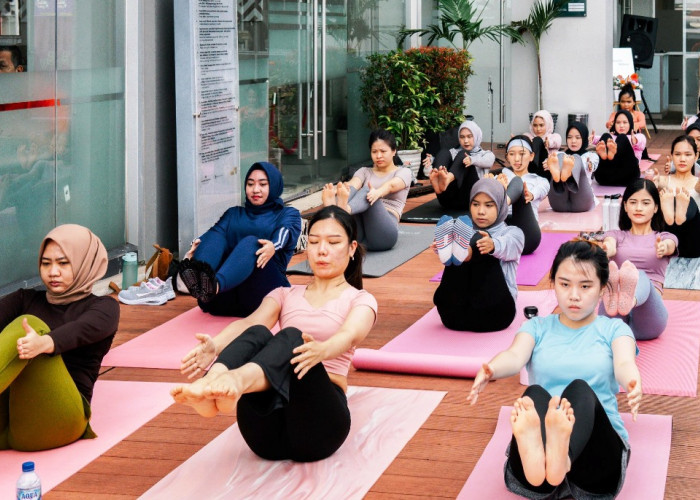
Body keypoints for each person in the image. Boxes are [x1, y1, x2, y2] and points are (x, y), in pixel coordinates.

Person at [171, 206, 377, 462]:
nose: (322, 250)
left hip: (318, 428)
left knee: (292, 337)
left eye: (333, 242)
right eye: (314, 242)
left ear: (352, 248)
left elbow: (350, 335)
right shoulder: (284, 294)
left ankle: (236, 382)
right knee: (259, 331)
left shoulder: (360, 299)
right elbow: (250, 324)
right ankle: (212, 382)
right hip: (265, 435)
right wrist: (216, 346)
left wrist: (322, 351)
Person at [467, 240, 641, 499]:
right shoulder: (537, 327)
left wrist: (632, 382)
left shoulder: (614, 330)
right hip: (537, 469)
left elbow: (624, 363)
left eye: (585, 286)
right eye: (564, 284)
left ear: (603, 289)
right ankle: (544, 458)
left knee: (580, 390)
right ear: (554, 283)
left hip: (596, 464)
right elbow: (515, 356)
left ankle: (564, 456)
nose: (574, 295)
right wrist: (490, 369)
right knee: (534, 394)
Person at [0, 224, 120, 451]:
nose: (53, 271)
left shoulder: (104, 307)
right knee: (24, 326)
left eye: (63, 263)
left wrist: (44, 343)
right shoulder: (24, 299)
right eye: (46, 263)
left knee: (29, 326)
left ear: (86, 263)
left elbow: (80, 330)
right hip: (8, 421)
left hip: (60, 422)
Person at [178, 162, 302, 316]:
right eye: (250, 184)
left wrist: (273, 247)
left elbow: (284, 234)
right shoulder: (233, 214)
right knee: (214, 237)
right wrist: (195, 249)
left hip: (263, 296)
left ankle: (214, 285)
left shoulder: (287, 214)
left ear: (274, 186)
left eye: (262, 184)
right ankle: (204, 281)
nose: (255, 189)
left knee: (252, 243)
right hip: (223, 300)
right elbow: (211, 237)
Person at [432, 178, 524, 331]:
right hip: (454, 316)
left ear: (501, 206)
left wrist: (492, 245)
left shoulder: (514, 233)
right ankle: (456, 251)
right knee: (461, 240)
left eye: (489, 205)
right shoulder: (462, 230)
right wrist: (440, 247)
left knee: (479, 239)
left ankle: (463, 251)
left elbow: (507, 245)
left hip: (495, 314)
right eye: (475, 204)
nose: (481, 211)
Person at [600, 179, 676, 340]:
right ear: (625, 206)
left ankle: (630, 301)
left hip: (648, 322)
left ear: (656, 207)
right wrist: (607, 250)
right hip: (615, 318)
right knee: (612, 273)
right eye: (633, 202)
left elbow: (670, 245)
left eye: (645, 203)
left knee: (639, 275)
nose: (639, 208)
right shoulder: (615, 235)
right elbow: (610, 244)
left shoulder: (664, 238)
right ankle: (617, 295)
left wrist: (664, 247)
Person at [322, 129, 412, 251]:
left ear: (394, 151)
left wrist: (377, 193)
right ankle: (335, 210)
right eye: (374, 151)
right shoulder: (364, 171)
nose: (378, 156)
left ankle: (342, 212)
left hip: (384, 235)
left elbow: (391, 185)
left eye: (383, 151)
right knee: (351, 191)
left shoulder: (404, 172)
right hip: (360, 237)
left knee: (366, 191)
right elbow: (353, 184)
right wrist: (342, 189)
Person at [427, 120, 495, 209]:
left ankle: (447, 179)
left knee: (463, 155)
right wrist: (432, 160)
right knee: (444, 152)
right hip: (446, 199)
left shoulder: (485, 154)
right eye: (462, 137)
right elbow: (442, 158)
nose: (465, 141)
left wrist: (472, 160)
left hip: (471, 199)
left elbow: (488, 161)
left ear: (477, 136)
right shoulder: (453, 152)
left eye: (469, 137)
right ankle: (438, 180)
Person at [653, 135, 700, 258]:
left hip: (693, 242)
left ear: (696, 156)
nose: (682, 159)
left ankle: (680, 215)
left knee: (689, 204)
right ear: (672, 156)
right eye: (678, 154)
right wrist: (653, 185)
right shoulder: (663, 181)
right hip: (667, 242)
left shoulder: (697, 183)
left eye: (688, 155)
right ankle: (672, 216)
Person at [544, 122, 596, 213]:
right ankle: (558, 177)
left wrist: (590, 165)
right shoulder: (559, 155)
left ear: (584, 138)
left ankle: (568, 175)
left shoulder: (591, 156)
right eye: (569, 137)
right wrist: (547, 164)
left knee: (576, 158)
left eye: (577, 137)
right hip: (558, 203)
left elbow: (593, 164)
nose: (573, 141)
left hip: (582, 202)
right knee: (559, 156)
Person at [592, 110, 646, 187]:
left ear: (630, 123)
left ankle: (612, 155)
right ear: (614, 124)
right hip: (604, 178)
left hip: (628, 176)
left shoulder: (637, 136)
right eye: (618, 123)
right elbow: (597, 139)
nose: (621, 125)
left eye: (625, 122)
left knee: (622, 138)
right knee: (605, 136)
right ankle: (606, 156)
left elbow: (642, 142)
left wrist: (634, 140)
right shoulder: (611, 137)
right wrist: (592, 138)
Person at [524, 110, 562, 179]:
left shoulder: (553, 136)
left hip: (546, 169)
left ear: (548, 125)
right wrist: (513, 142)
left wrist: (549, 143)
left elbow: (558, 142)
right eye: (535, 125)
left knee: (538, 140)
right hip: (529, 168)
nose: (538, 129)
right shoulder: (528, 136)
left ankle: (533, 167)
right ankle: (533, 166)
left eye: (541, 125)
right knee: (537, 140)